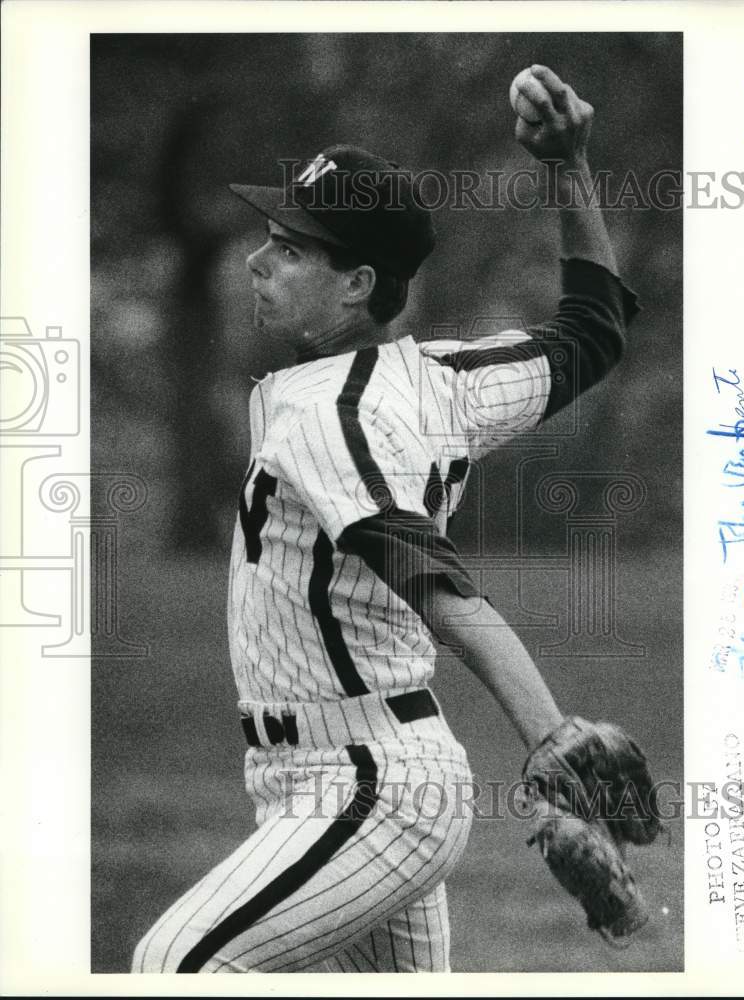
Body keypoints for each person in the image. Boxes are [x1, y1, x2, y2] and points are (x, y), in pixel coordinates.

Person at [132, 64, 640, 974]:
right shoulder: (442, 381)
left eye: (290, 248)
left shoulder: (328, 414)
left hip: (370, 790)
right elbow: (594, 329)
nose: (257, 259)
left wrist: (550, 736)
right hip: (354, 774)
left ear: (356, 283)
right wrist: (568, 163)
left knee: (176, 965)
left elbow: (434, 583)